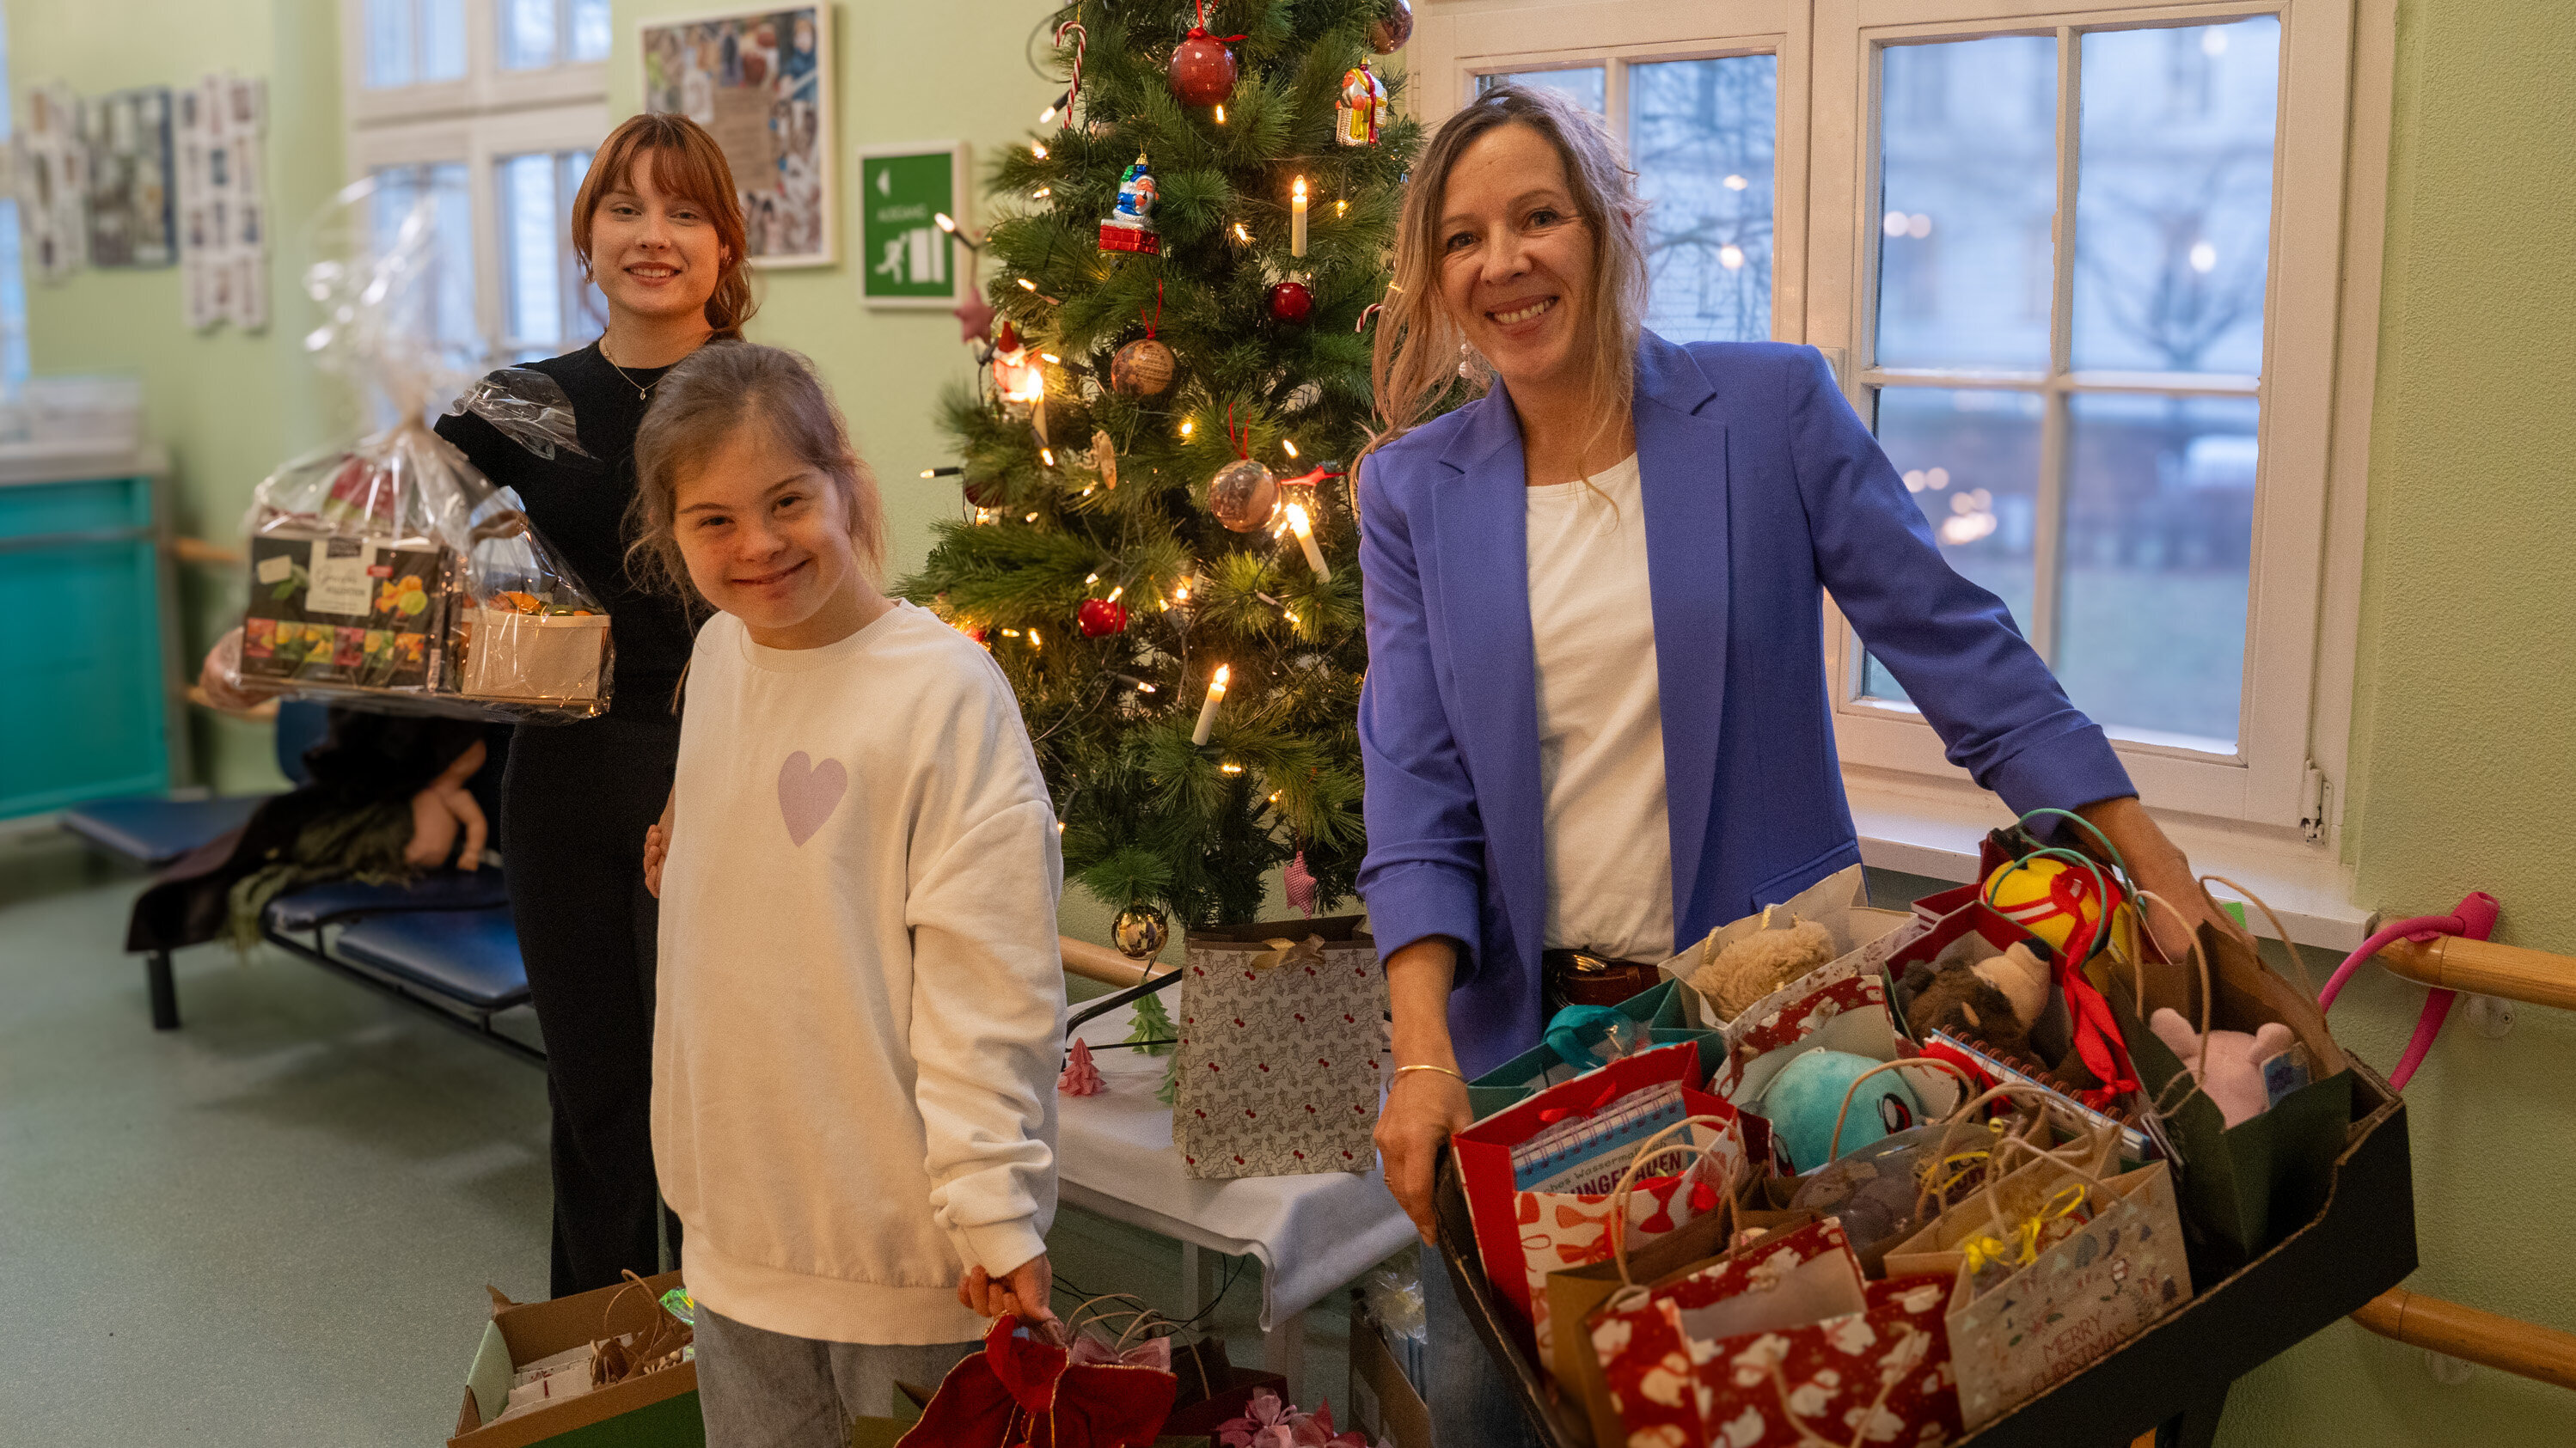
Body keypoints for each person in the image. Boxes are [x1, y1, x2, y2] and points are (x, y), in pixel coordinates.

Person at [1353, 84, 2231, 1445]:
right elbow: (1416, 786)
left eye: (1538, 217)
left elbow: (1962, 654)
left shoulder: (1764, 410)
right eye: (1464, 238)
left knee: (1784, 1410)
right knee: (1500, 1424)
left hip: (1774, 1056)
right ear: (1434, 278)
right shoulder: (1412, 491)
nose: (1505, 261)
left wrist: (2157, 868)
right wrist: (1422, 1061)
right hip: (1529, 1068)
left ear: (1607, 228)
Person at [628, 342, 1066, 1445]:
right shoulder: (721, 657)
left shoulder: (945, 693)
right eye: (712, 521)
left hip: (903, 1256)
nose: (758, 545)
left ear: (847, 483)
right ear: (668, 532)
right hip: (735, 1238)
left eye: (787, 500)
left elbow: (989, 984)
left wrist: (995, 1208)